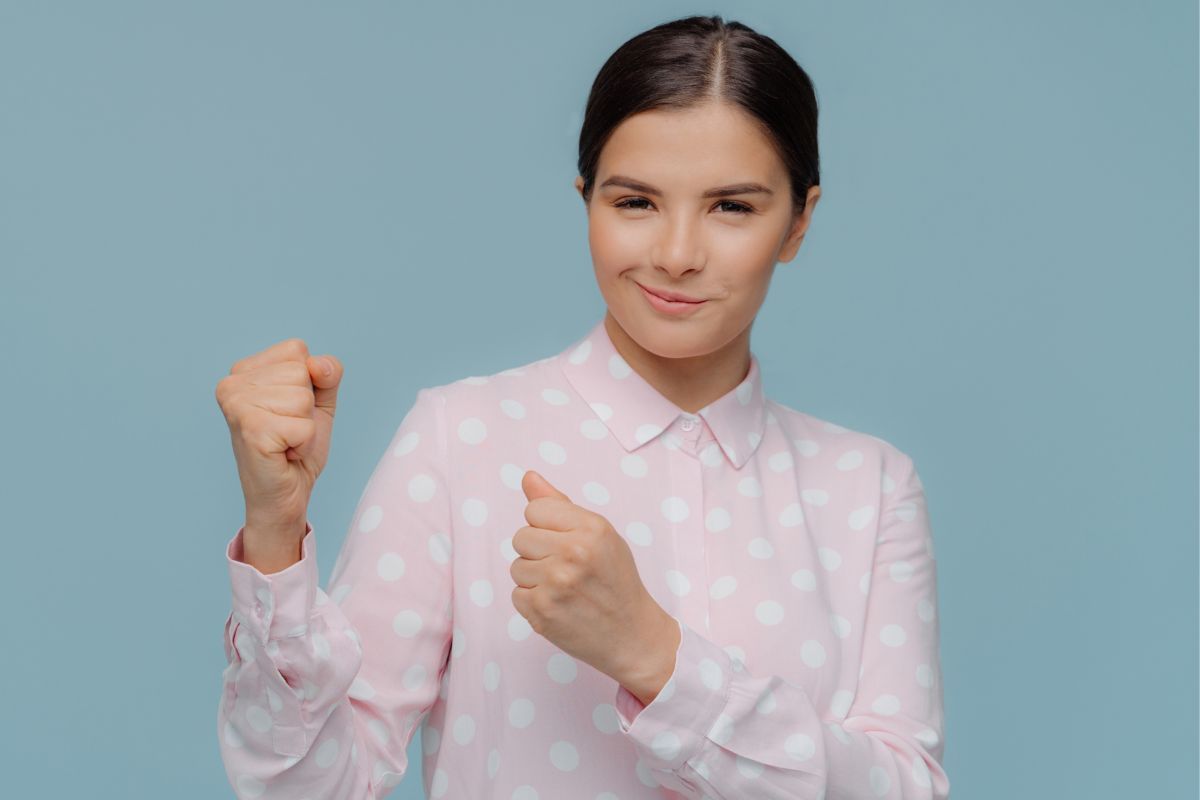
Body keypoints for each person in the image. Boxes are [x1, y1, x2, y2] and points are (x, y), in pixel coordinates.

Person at [215, 13, 949, 800]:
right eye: (635, 202)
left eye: (732, 207)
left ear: (798, 221)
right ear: (587, 199)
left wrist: (654, 654)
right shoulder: (460, 440)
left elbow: (905, 787)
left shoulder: (867, 489)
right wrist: (275, 539)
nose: (676, 253)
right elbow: (313, 787)